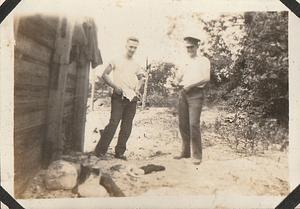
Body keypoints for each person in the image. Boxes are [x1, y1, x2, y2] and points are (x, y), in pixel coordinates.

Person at [94, 37, 144, 160]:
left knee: (127, 126)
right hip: (119, 96)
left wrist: (137, 89)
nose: (132, 49)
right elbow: (104, 74)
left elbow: (141, 78)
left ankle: (120, 152)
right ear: (126, 46)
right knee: (113, 123)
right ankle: (100, 151)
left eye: (135, 47)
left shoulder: (136, 64)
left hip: (131, 98)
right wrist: (114, 86)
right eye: (131, 46)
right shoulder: (116, 59)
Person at [173, 35, 211, 165]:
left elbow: (206, 78)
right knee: (182, 124)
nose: (189, 49)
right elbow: (179, 77)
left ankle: (197, 155)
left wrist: (191, 85)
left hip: (196, 93)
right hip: (183, 93)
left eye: (192, 47)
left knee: (193, 123)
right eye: (187, 47)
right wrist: (175, 81)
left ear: (197, 46)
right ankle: (185, 152)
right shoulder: (184, 61)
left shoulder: (204, 60)